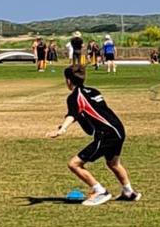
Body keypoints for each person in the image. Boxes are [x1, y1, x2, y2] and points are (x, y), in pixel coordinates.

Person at [45, 66, 140, 206]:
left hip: (106, 134)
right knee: (113, 163)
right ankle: (128, 192)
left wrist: (61, 129)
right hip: (118, 129)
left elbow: (73, 114)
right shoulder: (94, 91)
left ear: (68, 81)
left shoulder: (74, 97)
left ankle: (100, 191)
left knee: (74, 164)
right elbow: (89, 113)